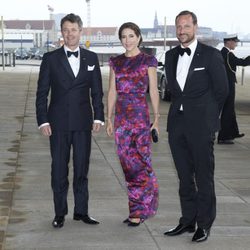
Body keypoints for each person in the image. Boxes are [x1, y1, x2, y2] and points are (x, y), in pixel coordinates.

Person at [163, 10, 228, 242]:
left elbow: (222, 91)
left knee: (203, 177)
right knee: (183, 177)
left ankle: (204, 224)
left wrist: (209, 121)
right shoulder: (170, 56)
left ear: (195, 27)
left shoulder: (210, 55)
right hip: (176, 125)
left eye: (186, 26)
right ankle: (187, 221)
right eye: (178, 26)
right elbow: (173, 89)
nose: (182, 30)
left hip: (201, 127)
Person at [36, 13, 104, 228]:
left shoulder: (92, 58)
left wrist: (99, 117)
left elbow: (97, 92)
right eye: (65, 30)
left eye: (73, 30)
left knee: (82, 169)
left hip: (83, 123)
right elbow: (41, 93)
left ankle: (81, 212)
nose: (69, 34)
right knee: (59, 170)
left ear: (80, 31)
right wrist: (43, 121)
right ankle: (59, 213)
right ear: (61, 33)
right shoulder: (50, 58)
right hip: (57, 124)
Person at [106, 22, 159, 227]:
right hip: (121, 120)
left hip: (140, 117)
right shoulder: (115, 62)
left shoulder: (148, 60)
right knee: (128, 165)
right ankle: (137, 208)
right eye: (123, 37)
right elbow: (112, 91)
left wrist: (157, 117)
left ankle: (141, 207)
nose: (127, 40)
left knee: (143, 164)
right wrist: (109, 117)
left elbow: (153, 91)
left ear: (138, 37)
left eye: (131, 36)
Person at [217, 34, 250, 144]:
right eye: (235, 42)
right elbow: (241, 62)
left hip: (226, 84)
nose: (236, 44)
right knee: (227, 110)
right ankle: (224, 137)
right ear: (229, 42)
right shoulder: (227, 54)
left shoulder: (225, 53)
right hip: (228, 85)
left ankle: (232, 133)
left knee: (230, 110)